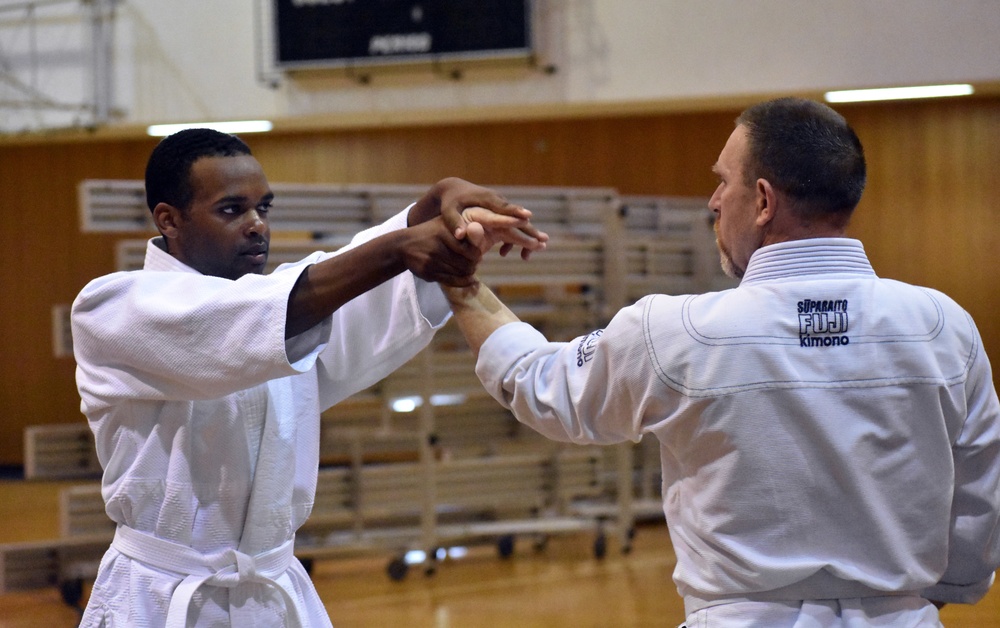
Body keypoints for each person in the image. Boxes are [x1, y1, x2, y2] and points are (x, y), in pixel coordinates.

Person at [442, 97, 1000, 626]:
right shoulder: (943, 325)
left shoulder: (676, 332)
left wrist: (461, 280)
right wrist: (909, 604)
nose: (712, 201)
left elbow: (538, 384)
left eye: (721, 182)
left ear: (762, 200)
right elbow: (977, 495)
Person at [70, 127, 547, 627]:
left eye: (263, 208)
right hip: (158, 598)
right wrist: (400, 247)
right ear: (169, 219)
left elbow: (336, 300)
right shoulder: (113, 308)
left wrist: (430, 215)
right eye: (232, 210)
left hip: (272, 594)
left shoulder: (285, 311)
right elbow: (242, 321)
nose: (256, 225)